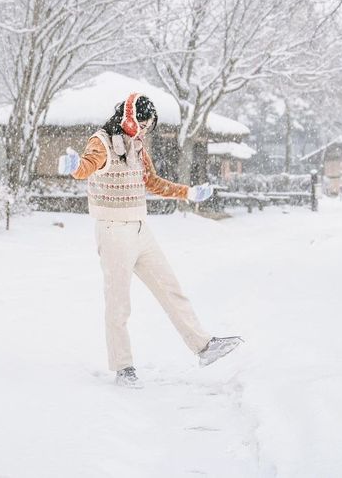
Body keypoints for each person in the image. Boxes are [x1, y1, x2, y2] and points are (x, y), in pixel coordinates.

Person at [58, 92, 243, 388]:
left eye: (149, 127)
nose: (145, 131)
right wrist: (74, 167)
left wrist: (188, 193)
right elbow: (88, 164)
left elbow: (151, 181)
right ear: (128, 117)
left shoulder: (138, 146)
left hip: (141, 229)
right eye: (142, 124)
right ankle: (123, 367)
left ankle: (204, 347)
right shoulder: (102, 141)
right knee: (119, 303)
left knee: (170, 288)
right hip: (113, 230)